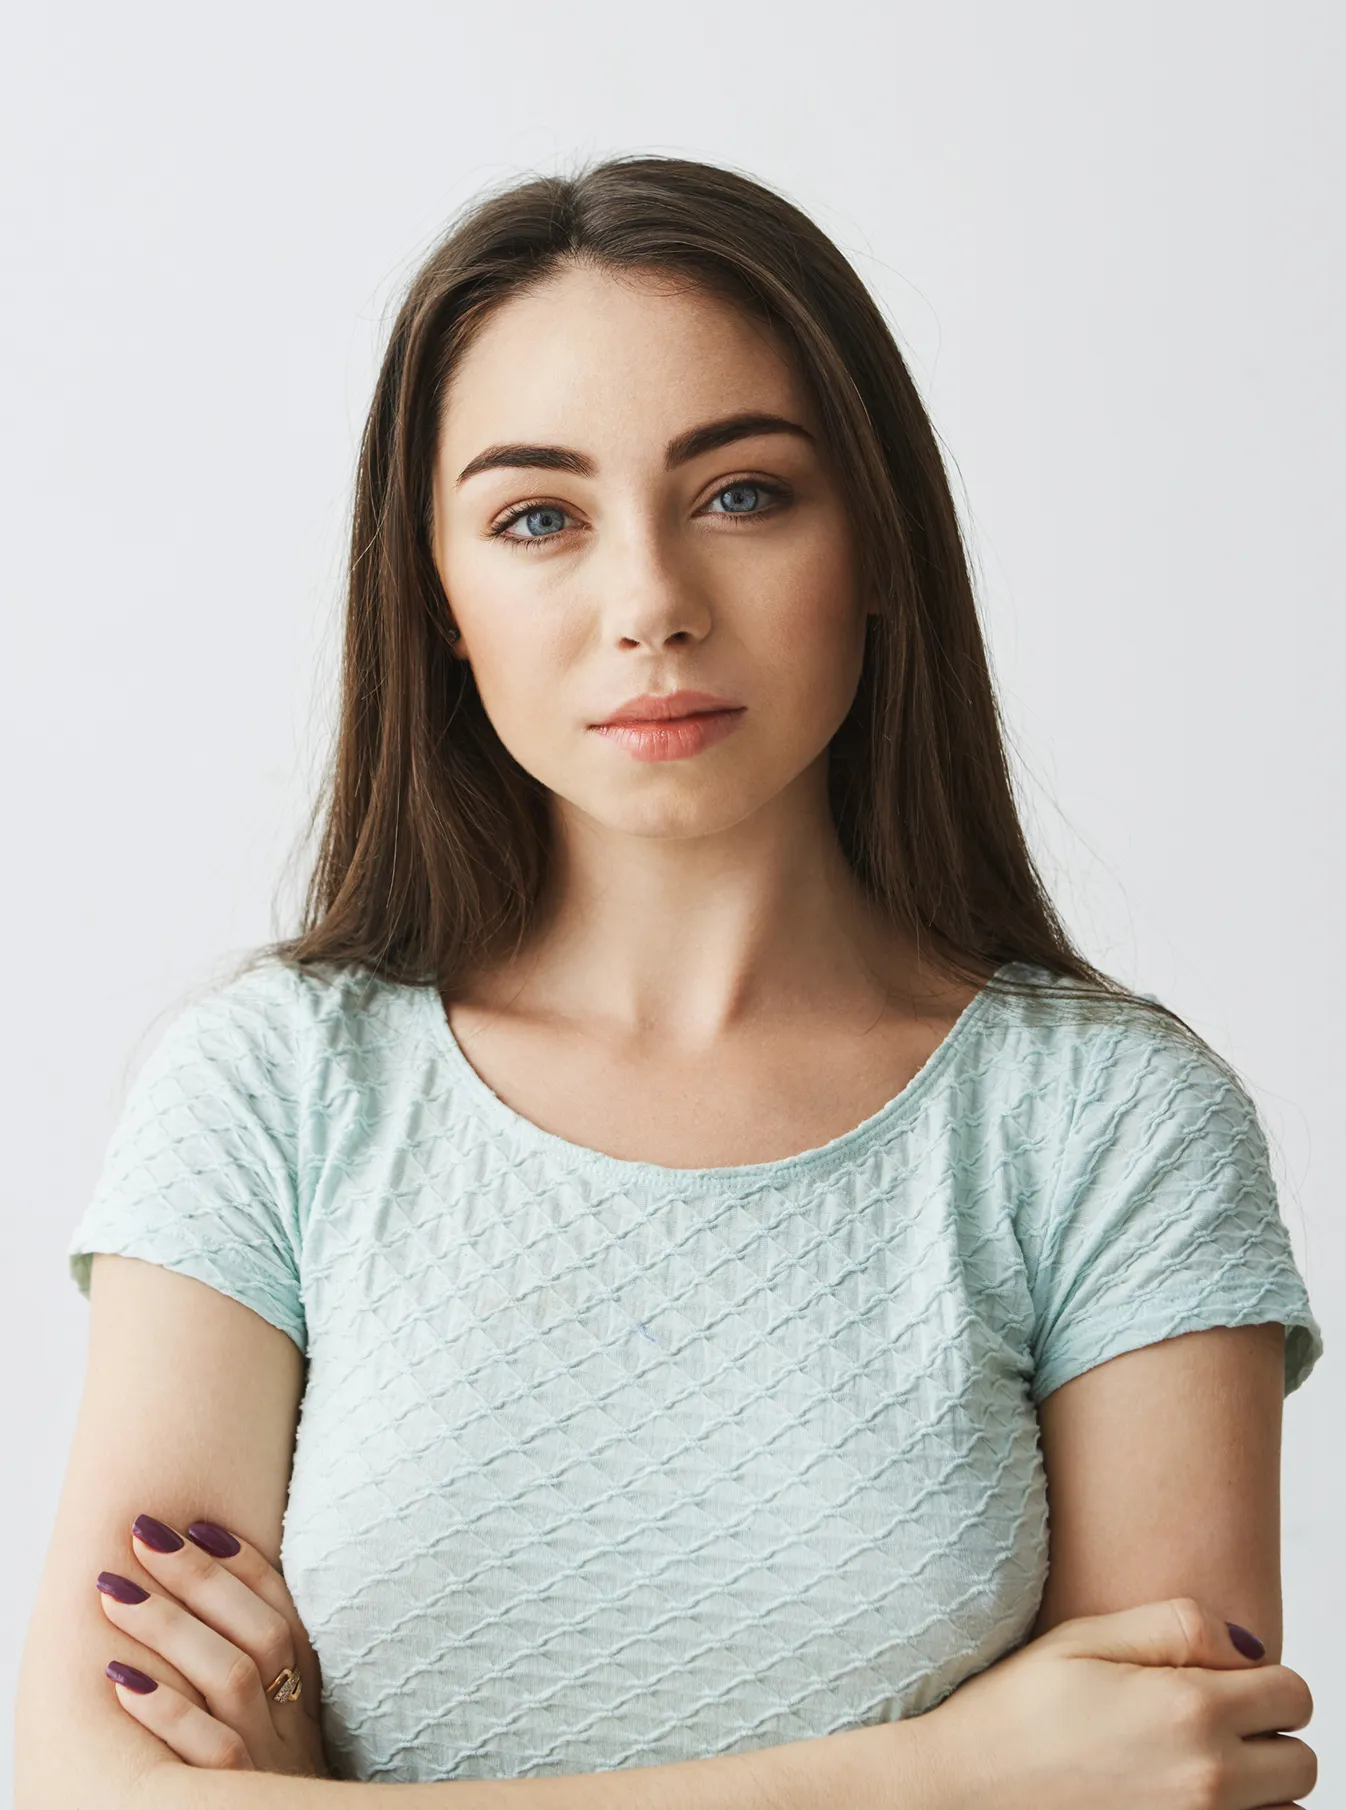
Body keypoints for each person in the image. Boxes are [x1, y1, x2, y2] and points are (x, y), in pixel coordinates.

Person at [16, 156, 1321, 1808]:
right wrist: (950, 1774)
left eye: (741, 493)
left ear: (879, 546)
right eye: (536, 518)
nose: (648, 605)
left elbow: (1165, 1778)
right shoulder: (272, 1089)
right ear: (437, 600)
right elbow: (89, 1787)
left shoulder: (1108, 1125)